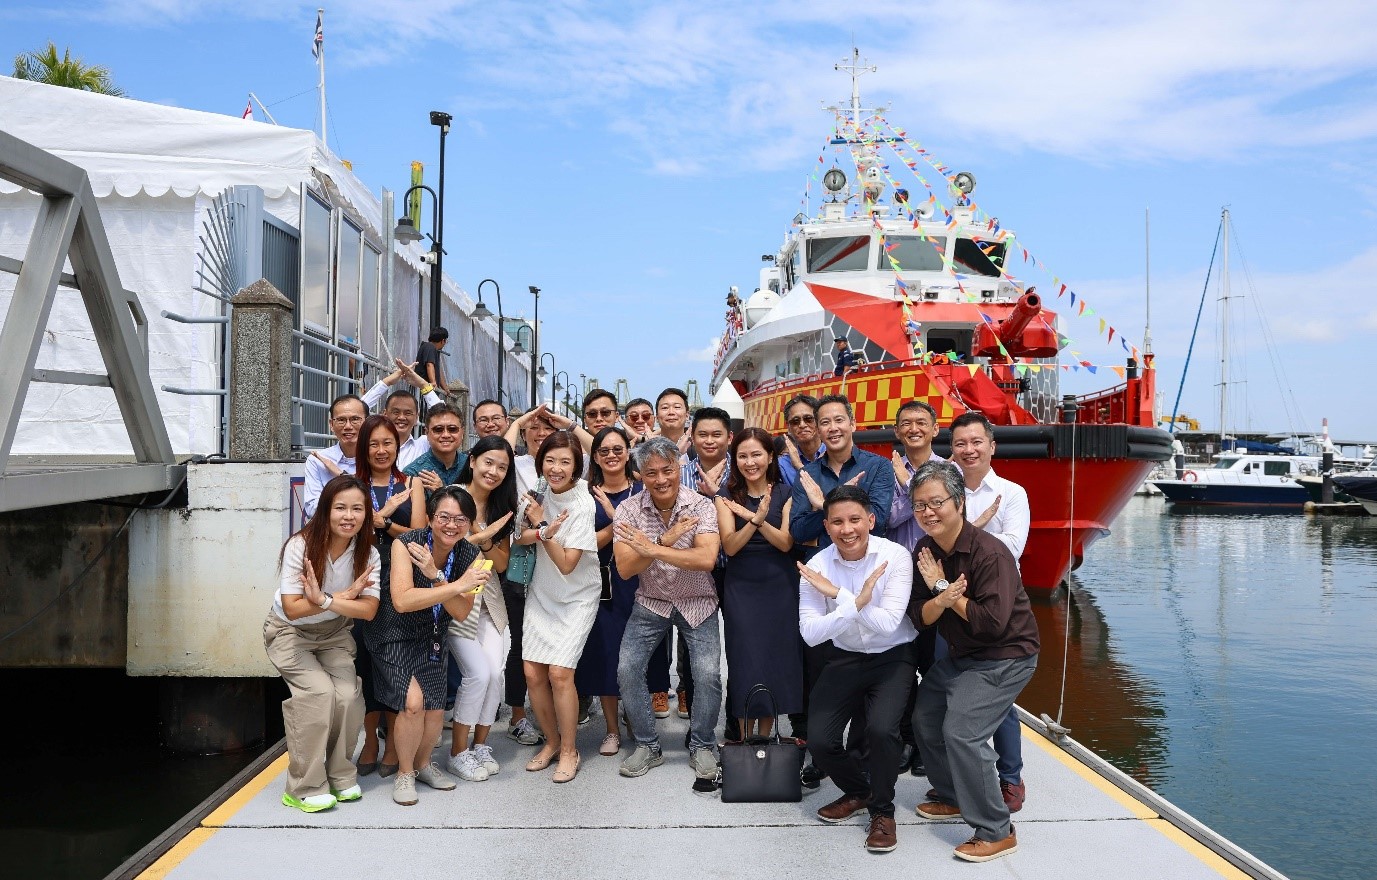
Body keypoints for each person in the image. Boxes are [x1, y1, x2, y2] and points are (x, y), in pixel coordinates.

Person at [909, 460, 1038, 863]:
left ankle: (997, 829)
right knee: (925, 719)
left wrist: (944, 589)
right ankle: (953, 795)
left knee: (962, 732)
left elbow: (992, 624)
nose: (928, 512)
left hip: (1005, 656)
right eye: (919, 505)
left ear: (959, 502)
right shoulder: (925, 549)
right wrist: (940, 599)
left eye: (937, 502)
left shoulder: (989, 553)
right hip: (964, 654)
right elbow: (918, 614)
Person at [797, 484, 917, 853]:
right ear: (827, 526)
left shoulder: (895, 556)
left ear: (871, 520)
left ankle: (882, 811)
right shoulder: (817, 565)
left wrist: (838, 596)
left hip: (892, 656)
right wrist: (856, 603)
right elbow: (811, 634)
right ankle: (859, 791)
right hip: (844, 655)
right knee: (819, 740)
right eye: (837, 522)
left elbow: (888, 623)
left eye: (854, 520)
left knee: (882, 730)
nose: (847, 529)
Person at [265, 475, 381, 812]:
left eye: (357, 509)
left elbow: (369, 610)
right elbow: (293, 607)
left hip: (334, 632)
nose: (349, 516)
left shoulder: (369, 553)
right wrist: (342, 597)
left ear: (366, 514)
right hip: (290, 632)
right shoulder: (300, 547)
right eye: (340, 507)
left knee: (348, 697)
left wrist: (329, 601)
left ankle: (341, 776)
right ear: (325, 510)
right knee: (318, 695)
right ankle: (304, 786)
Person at [614, 437, 722, 785]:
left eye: (668, 470)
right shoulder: (628, 510)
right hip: (652, 601)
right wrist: (666, 539)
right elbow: (626, 568)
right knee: (628, 669)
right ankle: (648, 744)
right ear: (639, 475)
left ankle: (703, 743)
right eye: (651, 473)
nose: (661, 479)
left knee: (706, 674)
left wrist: (651, 548)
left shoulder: (701, 506)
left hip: (697, 600)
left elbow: (705, 559)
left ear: (680, 468)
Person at [373, 485, 488, 805]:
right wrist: (455, 586)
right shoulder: (404, 544)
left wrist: (437, 577)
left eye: (461, 519)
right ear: (429, 518)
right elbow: (402, 601)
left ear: (469, 523)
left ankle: (423, 765)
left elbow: (462, 611)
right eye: (444, 517)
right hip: (393, 632)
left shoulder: (472, 554)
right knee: (413, 703)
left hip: (433, 634)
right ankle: (405, 773)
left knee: (436, 710)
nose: (452, 525)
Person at [945, 411, 1032, 811]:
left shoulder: (1012, 494)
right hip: (950, 604)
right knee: (948, 689)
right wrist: (975, 530)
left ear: (992, 446)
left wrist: (965, 530)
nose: (968, 450)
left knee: (998, 697)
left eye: (976, 442)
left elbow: (1012, 547)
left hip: (995, 604)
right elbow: (932, 536)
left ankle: (1010, 777)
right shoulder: (942, 489)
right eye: (960, 443)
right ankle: (954, 778)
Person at [575, 426, 672, 756]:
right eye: (605, 451)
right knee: (607, 655)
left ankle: (639, 717)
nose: (612, 455)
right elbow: (581, 544)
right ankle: (612, 729)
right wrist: (617, 525)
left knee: (642, 655)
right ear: (596, 457)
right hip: (602, 584)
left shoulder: (643, 489)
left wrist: (620, 522)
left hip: (644, 580)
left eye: (618, 449)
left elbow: (659, 532)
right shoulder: (585, 495)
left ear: (628, 453)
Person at [514, 431, 601, 783]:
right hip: (542, 591)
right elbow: (518, 537)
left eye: (565, 461)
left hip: (576, 596)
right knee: (533, 672)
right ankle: (551, 742)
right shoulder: (536, 494)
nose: (556, 468)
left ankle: (570, 749)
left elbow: (567, 563)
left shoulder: (582, 504)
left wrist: (541, 526)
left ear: (577, 466)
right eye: (550, 460)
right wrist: (538, 527)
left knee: (560, 673)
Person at [352, 416, 426, 779]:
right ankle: (369, 740)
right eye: (373, 444)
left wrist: (385, 524)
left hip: (399, 583)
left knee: (396, 663)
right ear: (363, 448)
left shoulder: (411, 483)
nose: (381, 451)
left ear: (398, 446)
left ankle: (396, 744)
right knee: (364, 664)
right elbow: (345, 533)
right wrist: (373, 519)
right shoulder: (352, 486)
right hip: (361, 584)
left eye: (388, 443)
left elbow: (420, 534)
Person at [714, 427, 799, 738]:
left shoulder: (786, 493)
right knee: (744, 660)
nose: (750, 462)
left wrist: (755, 519)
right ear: (735, 460)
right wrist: (757, 519)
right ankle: (744, 737)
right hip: (741, 586)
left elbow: (786, 543)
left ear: (770, 456)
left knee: (774, 659)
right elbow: (731, 546)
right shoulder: (725, 496)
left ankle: (766, 735)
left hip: (779, 584)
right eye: (742, 456)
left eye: (756, 455)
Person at [446, 437, 519, 782]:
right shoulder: (450, 496)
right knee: (478, 674)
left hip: (488, 600)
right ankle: (457, 752)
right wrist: (477, 533)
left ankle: (479, 746)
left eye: (502, 467)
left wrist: (486, 535)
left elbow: (501, 564)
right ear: (472, 460)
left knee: (495, 675)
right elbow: (440, 545)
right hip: (453, 600)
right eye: (489, 462)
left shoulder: (503, 507)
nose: (494, 471)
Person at [886, 400, 944, 775]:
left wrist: (908, 489)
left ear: (936, 428)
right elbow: (888, 517)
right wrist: (920, 498)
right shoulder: (884, 470)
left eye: (921, 422)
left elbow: (945, 517)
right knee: (900, 666)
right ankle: (907, 738)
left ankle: (930, 744)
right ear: (896, 430)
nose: (914, 429)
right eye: (906, 423)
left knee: (936, 667)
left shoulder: (949, 470)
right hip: (897, 580)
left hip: (936, 581)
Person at [499, 406, 559, 746]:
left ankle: (553, 709)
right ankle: (518, 715)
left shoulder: (568, 466)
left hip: (560, 567)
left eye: (547, 426)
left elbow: (596, 449)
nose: (540, 431)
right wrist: (519, 420)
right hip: (521, 566)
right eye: (532, 427)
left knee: (556, 641)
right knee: (521, 643)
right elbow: (499, 449)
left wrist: (564, 425)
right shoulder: (516, 466)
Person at [675, 406, 733, 722]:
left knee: (739, 645)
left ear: (729, 437)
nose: (709, 441)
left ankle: (739, 721)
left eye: (716, 434)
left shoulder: (743, 470)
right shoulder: (679, 474)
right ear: (692, 437)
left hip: (736, 570)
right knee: (697, 650)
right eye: (702, 435)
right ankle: (699, 726)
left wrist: (718, 493)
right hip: (695, 571)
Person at [789, 395, 893, 550]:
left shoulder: (879, 466)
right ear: (818, 430)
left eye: (839, 420)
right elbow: (798, 531)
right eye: (825, 422)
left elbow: (877, 522)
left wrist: (824, 504)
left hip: (869, 561)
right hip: (823, 566)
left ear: (852, 424)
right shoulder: (807, 475)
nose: (832, 428)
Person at [303, 394, 367, 519]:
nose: (348, 426)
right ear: (331, 424)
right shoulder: (318, 461)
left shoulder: (377, 457)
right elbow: (312, 508)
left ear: (366, 422)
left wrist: (340, 475)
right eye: (341, 420)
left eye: (355, 419)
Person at [404, 403, 469, 499]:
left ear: (462, 432)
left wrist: (442, 491)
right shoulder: (414, 473)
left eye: (452, 429)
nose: (446, 435)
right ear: (426, 433)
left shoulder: (471, 466)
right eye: (438, 429)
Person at [777, 394, 824, 487]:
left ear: (819, 421)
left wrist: (798, 466)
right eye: (795, 421)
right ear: (789, 427)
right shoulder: (782, 465)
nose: (802, 425)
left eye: (808, 419)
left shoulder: (836, 455)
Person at [655, 387, 692, 456]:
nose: (671, 412)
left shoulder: (699, 447)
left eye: (677, 407)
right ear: (657, 417)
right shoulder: (646, 450)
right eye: (665, 408)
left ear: (687, 415)